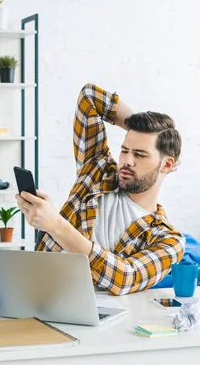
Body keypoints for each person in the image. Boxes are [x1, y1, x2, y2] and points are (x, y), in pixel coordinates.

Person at [15, 83, 185, 296]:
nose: (127, 161)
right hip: (36, 297)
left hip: (105, 324)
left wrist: (56, 225)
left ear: (167, 164)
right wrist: (143, 129)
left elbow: (126, 277)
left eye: (140, 155)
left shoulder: (168, 240)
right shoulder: (97, 169)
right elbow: (89, 99)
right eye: (124, 150)